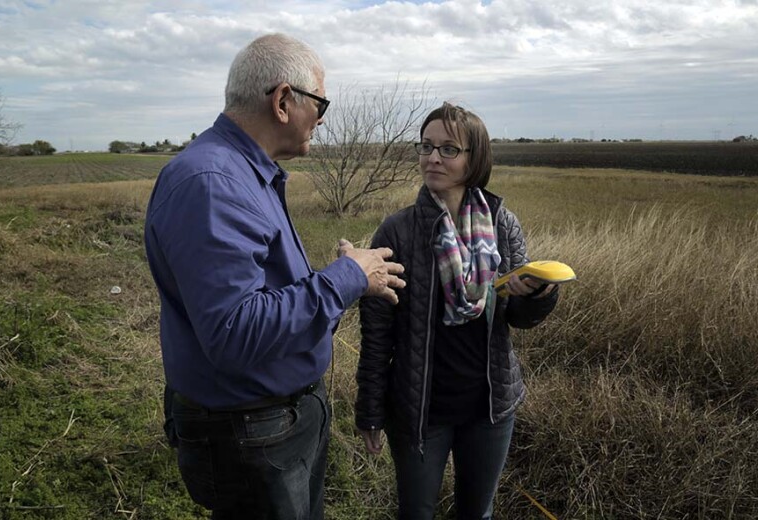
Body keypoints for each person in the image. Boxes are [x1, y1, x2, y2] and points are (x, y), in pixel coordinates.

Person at [144, 33, 405, 519]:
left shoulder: (241, 172)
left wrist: (343, 277)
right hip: (252, 432)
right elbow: (235, 332)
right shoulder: (213, 184)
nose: (323, 118)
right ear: (284, 101)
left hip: (270, 424)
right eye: (320, 102)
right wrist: (344, 279)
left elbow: (261, 292)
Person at [354, 102, 560, 519]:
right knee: (416, 512)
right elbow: (377, 334)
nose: (433, 157)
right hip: (420, 410)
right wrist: (370, 410)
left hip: (489, 407)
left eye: (449, 149)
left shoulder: (501, 223)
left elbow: (518, 319)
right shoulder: (398, 231)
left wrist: (535, 294)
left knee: (477, 513)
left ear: (474, 157)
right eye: (426, 146)